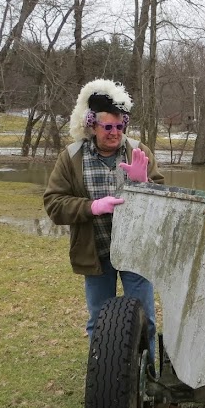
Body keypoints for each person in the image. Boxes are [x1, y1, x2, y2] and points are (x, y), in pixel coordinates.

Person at [43, 79, 163, 365]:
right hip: (95, 252)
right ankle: (103, 379)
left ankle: (147, 381)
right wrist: (91, 207)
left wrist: (144, 184)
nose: (114, 133)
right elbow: (53, 204)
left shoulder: (138, 151)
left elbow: (162, 200)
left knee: (144, 319)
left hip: (136, 253)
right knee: (99, 320)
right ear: (92, 125)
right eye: (107, 127)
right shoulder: (70, 158)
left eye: (119, 126)